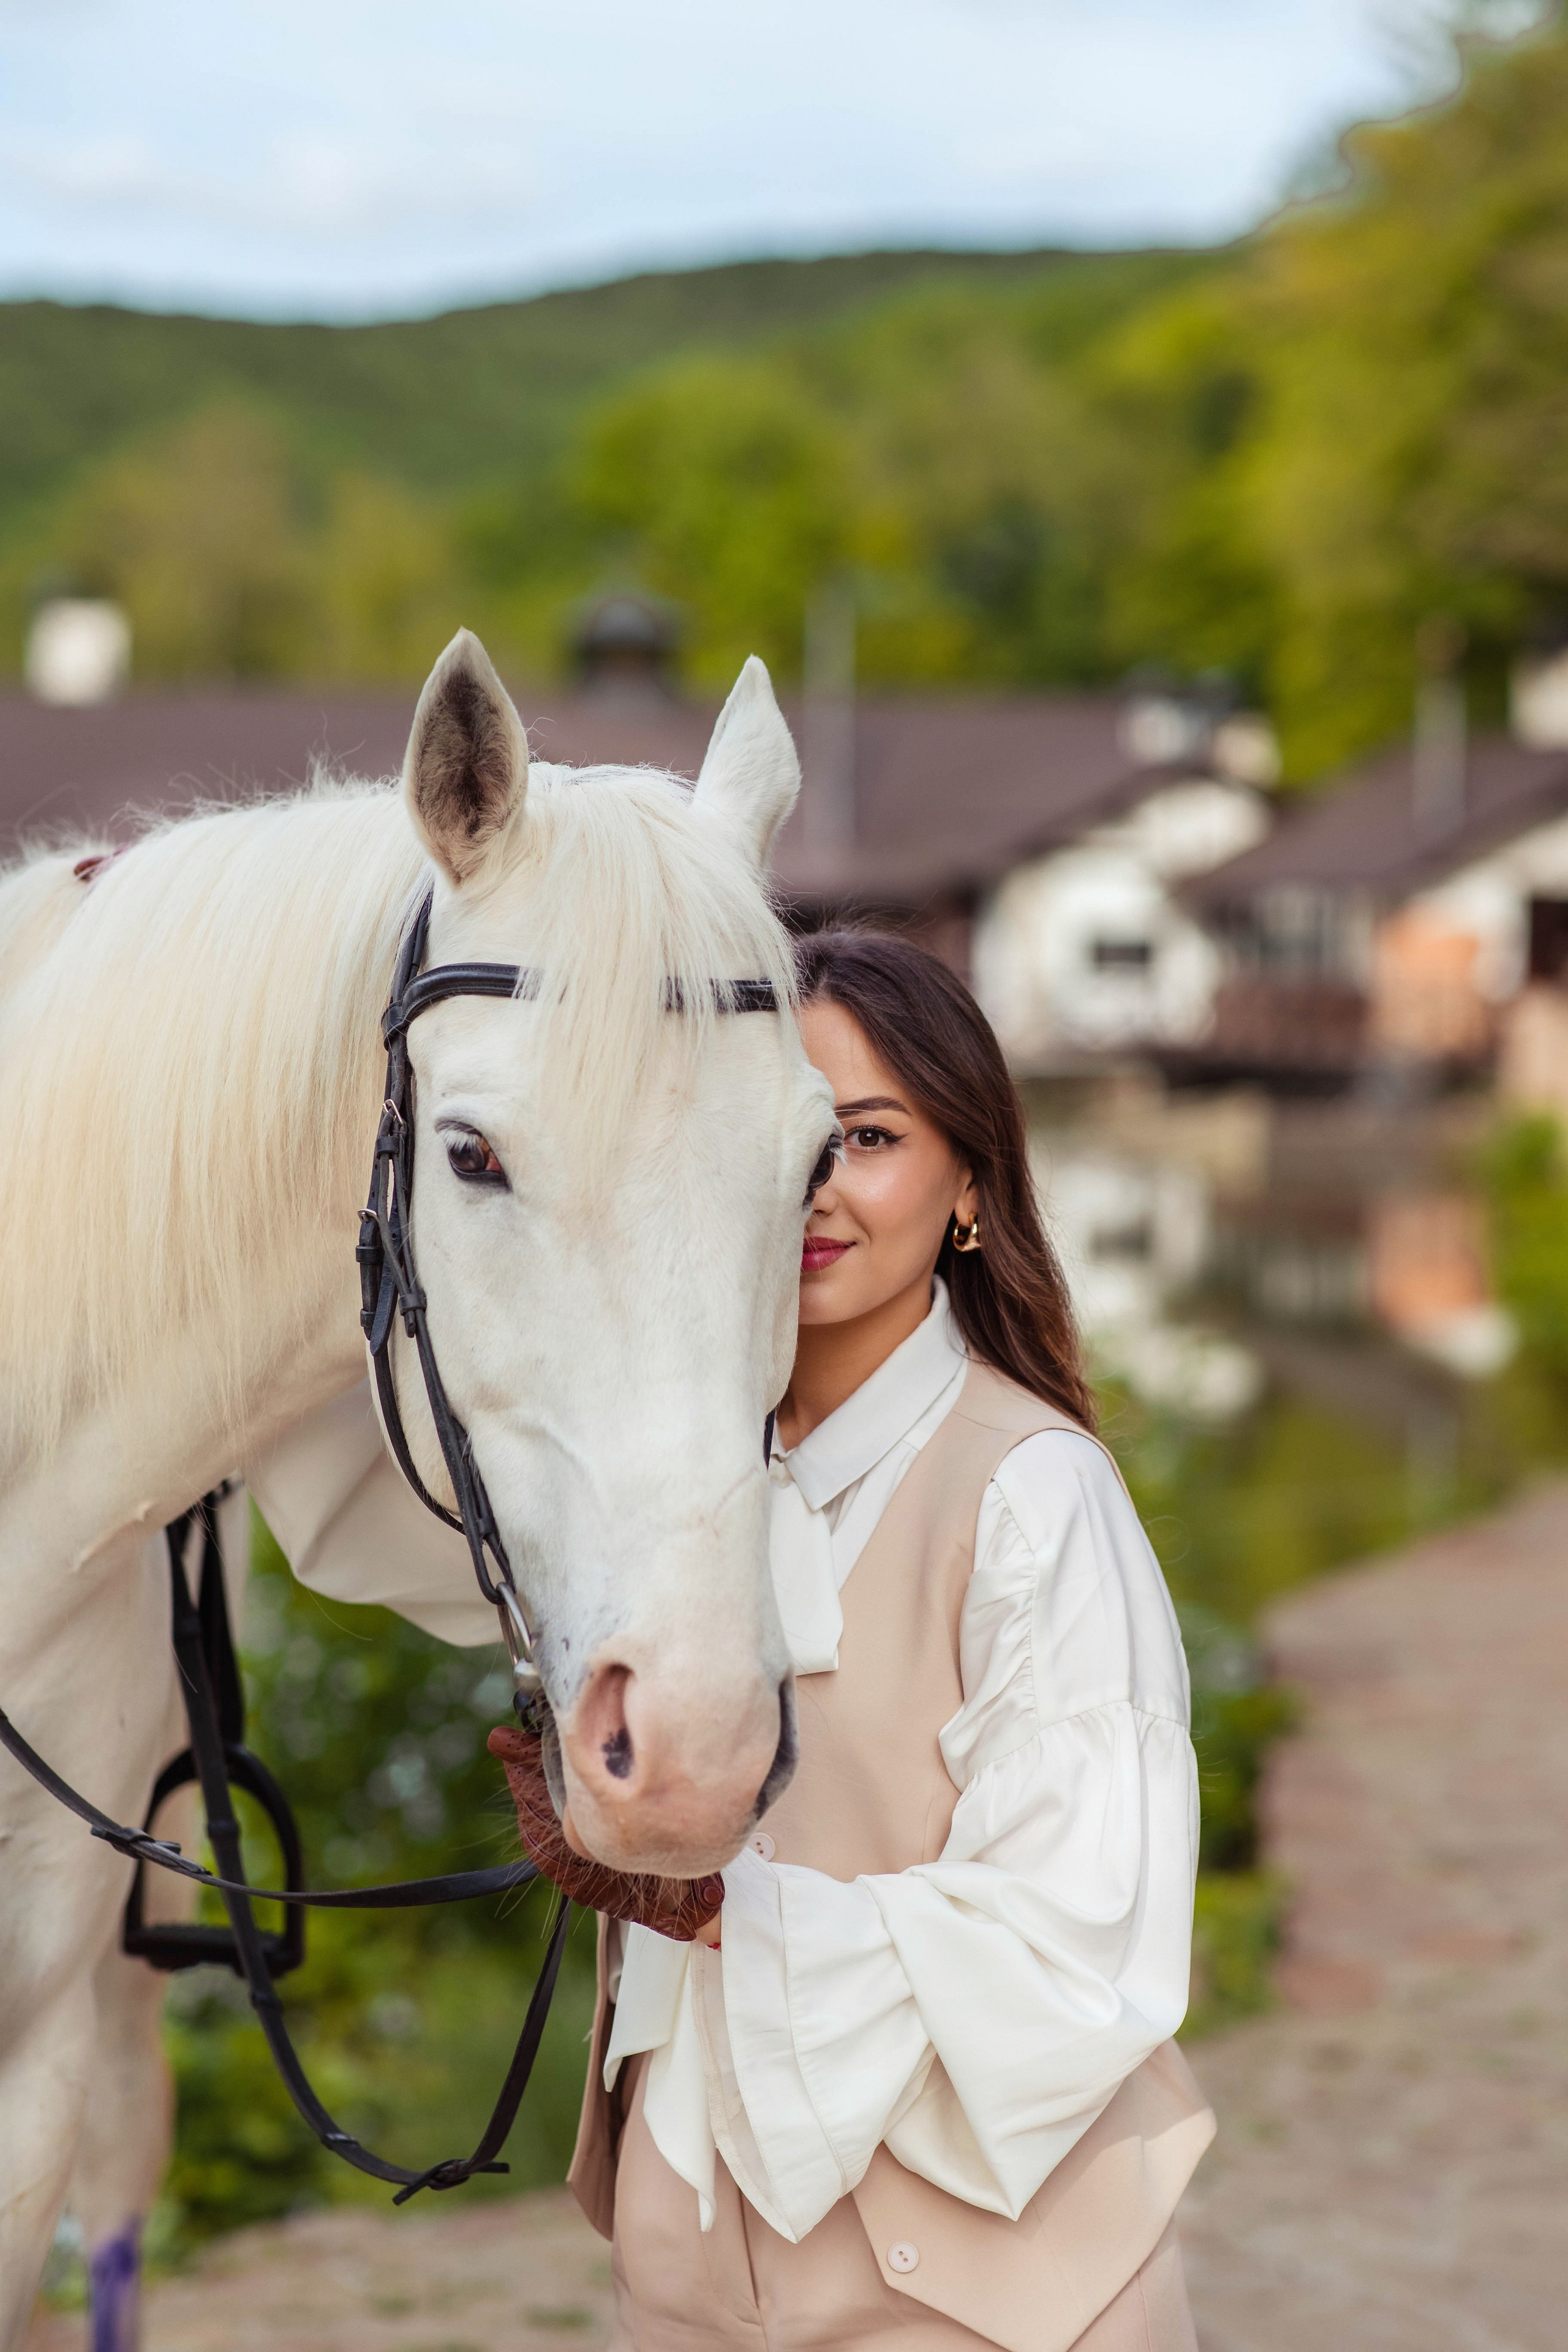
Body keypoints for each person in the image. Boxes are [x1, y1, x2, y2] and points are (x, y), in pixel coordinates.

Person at [566, 929, 1212, 2352]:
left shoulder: (1034, 1495)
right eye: (776, 1136)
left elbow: (1075, 1938)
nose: (812, 1190)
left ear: (970, 1184)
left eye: (864, 1137)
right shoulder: (666, 1500)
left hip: (981, 2296)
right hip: (680, 2267)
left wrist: (721, 1903)